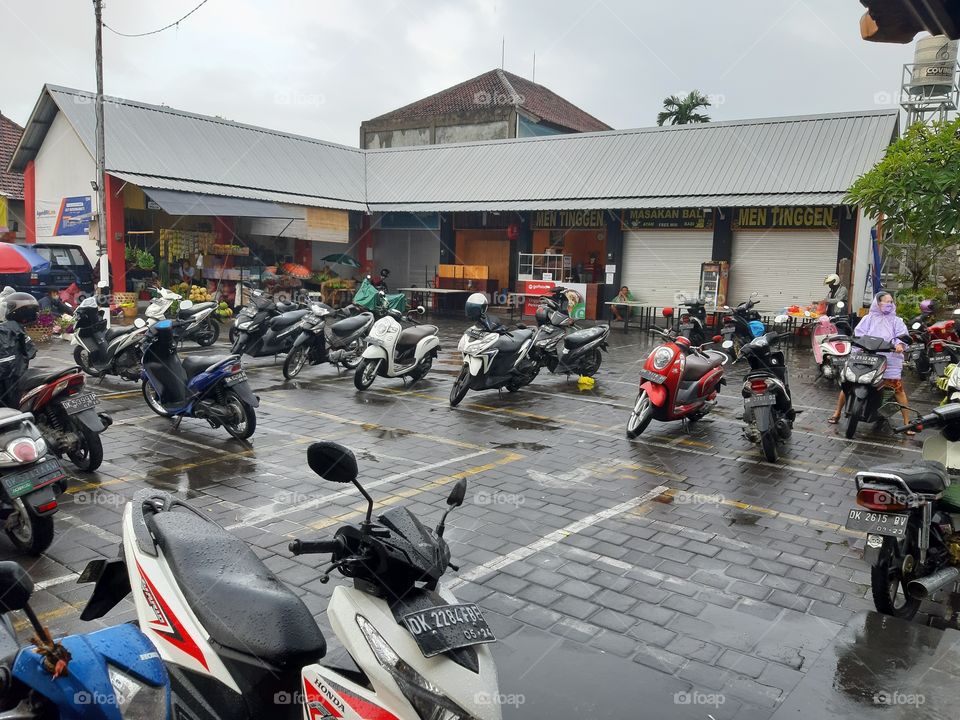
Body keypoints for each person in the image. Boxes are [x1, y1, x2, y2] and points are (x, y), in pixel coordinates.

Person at [828, 291, 914, 433]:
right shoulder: (868, 318)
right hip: (867, 357)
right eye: (887, 302)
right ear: (878, 303)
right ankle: (837, 413)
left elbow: (902, 336)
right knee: (848, 383)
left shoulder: (897, 321)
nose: (890, 304)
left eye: (891, 302)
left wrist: (900, 345)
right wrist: (857, 345)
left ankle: (907, 423)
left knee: (898, 390)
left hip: (889, 360)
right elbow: (859, 334)